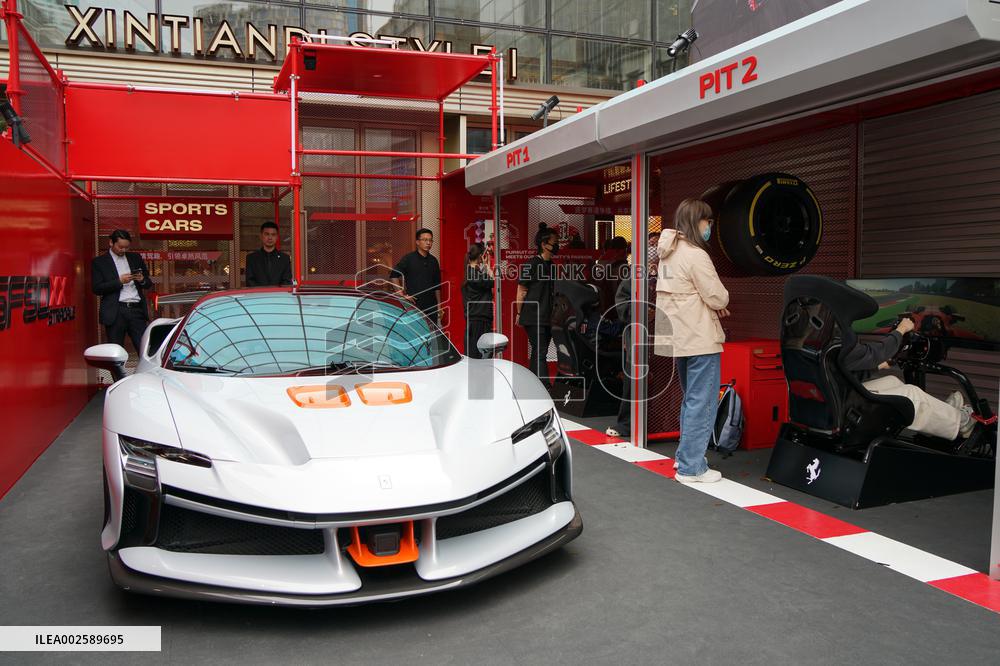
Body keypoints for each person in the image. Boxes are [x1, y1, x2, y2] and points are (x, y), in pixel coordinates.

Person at [655, 199, 730, 484]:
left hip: (679, 337)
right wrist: (716, 303)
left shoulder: (667, 252)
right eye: (707, 220)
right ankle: (691, 467)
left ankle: (685, 456)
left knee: (691, 399)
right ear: (696, 222)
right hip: (699, 336)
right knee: (703, 401)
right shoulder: (696, 255)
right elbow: (718, 296)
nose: (709, 225)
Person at [842, 316, 976, 440]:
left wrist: (877, 367)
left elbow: (842, 371)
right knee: (911, 395)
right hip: (843, 413)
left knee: (891, 381)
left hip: (839, 397)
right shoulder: (837, 341)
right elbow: (875, 353)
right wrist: (901, 329)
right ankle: (963, 422)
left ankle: (943, 416)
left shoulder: (830, 339)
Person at [91, 229, 153, 355]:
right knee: (116, 352)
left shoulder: (135, 258)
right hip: (116, 312)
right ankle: (119, 370)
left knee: (145, 350)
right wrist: (119, 282)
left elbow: (148, 283)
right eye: (120, 247)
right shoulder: (99, 262)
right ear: (111, 243)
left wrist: (142, 280)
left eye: (126, 247)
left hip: (136, 310)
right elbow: (97, 288)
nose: (123, 250)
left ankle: (145, 368)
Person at [515, 224, 559, 386]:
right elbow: (521, 289)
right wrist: (519, 313)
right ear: (544, 244)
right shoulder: (531, 264)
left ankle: (533, 385)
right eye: (554, 242)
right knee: (540, 351)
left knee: (539, 351)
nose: (557, 245)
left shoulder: (552, 266)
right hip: (533, 316)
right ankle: (544, 387)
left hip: (548, 317)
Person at [392, 228, 442, 323]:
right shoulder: (408, 259)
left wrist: (439, 305)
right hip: (414, 304)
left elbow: (437, 285)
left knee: (431, 331)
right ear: (417, 242)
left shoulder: (434, 261)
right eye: (425, 240)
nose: (428, 243)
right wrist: (401, 295)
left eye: (430, 240)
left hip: (431, 306)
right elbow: (394, 275)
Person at [462, 243, 494, 359]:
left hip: (476, 318)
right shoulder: (474, 274)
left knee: (476, 354)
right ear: (481, 256)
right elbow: (494, 281)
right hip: (478, 320)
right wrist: (487, 266)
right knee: (479, 355)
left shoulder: (472, 272)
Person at [245, 222, 292, 287]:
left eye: (273, 234)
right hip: (257, 293)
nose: (270, 237)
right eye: (267, 234)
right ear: (261, 236)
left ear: (277, 237)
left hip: (279, 293)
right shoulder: (251, 258)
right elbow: (250, 281)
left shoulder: (285, 259)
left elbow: (287, 281)